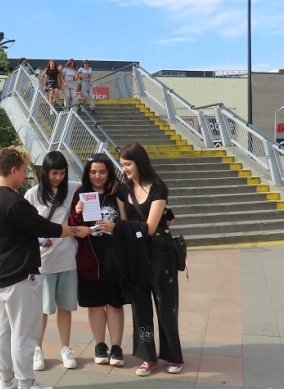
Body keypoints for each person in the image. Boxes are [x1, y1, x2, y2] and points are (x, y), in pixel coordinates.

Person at [0, 146, 91, 389]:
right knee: (24, 334)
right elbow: (43, 226)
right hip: (19, 277)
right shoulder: (13, 201)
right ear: (13, 170)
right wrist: (76, 231)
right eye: (23, 171)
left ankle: (6, 380)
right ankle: (26, 386)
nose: (26, 176)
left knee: (3, 331)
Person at [116, 142, 183, 376]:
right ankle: (147, 357)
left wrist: (122, 229)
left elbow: (151, 228)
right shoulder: (122, 190)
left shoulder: (158, 189)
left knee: (166, 305)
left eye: (128, 164)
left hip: (160, 253)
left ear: (140, 162)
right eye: (122, 165)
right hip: (135, 255)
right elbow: (125, 223)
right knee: (140, 306)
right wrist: (123, 229)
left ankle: (173, 356)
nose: (124, 169)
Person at [24, 151, 82, 371]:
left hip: (68, 260)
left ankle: (65, 348)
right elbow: (25, 225)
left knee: (65, 307)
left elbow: (96, 183)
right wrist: (39, 239)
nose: (58, 178)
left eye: (62, 173)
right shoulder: (32, 195)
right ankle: (37, 349)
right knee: (42, 309)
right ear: (45, 172)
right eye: (54, 173)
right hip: (44, 263)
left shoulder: (73, 189)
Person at [68, 154, 126, 367]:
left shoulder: (117, 192)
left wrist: (116, 228)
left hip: (114, 259)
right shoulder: (81, 194)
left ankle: (117, 347)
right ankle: (100, 345)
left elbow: (128, 222)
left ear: (109, 173)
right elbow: (73, 229)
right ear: (87, 173)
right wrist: (77, 213)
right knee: (94, 306)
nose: (98, 176)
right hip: (89, 259)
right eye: (93, 172)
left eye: (102, 172)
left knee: (115, 305)